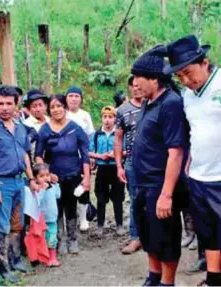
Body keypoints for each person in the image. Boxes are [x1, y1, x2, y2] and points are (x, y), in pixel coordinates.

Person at [164, 34, 221, 287]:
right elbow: (193, 131)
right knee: (208, 232)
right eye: (179, 77)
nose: (186, 81)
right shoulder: (188, 96)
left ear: (205, 62)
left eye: (188, 73)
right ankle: (214, 279)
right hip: (199, 176)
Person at [131, 46, 186, 286]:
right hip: (143, 183)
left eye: (138, 79)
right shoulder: (148, 102)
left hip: (161, 183)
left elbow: (176, 152)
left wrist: (166, 194)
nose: (134, 84)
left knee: (166, 236)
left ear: (154, 79)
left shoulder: (171, 103)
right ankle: (153, 276)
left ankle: (167, 282)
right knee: (148, 233)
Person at [0, 85, 37, 283]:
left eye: (8, 103)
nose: (4, 107)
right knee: (1, 227)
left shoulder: (20, 127)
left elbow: (25, 154)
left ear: (16, 104)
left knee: (17, 225)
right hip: (0, 182)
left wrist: (31, 179)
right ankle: (3, 269)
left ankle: (16, 259)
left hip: (19, 182)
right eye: (0, 103)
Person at [35, 94, 90, 254]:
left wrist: (86, 178)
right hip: (52, 178)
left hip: (72, 174)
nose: (56, 110)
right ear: (49, 110)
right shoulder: (44, 130)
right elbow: (38, 155)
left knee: (71, 206)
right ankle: (58, 240)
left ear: (65, 107)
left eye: (59, 106)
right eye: (52, 107)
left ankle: (72, 240)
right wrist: (45, 174)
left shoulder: (75, 128)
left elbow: (85, 155)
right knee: (55, 209)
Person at [114, 75, 143, 255]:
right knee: (135, 199)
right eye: (134, 86)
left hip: (154, 162)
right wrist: (119, 166)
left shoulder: (154, 105)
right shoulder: (123, 110)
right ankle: (135, 237)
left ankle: (153, 237)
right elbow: (118, 140)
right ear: (130, 88)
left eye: (140, 85)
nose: (137, 89)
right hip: (132, 162)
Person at [89, 106, 125, 237]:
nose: (107, 120)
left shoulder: (119, 134)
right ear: (102, 118)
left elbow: (126, 151)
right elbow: (89, 151)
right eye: (105, 117)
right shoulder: (96, 135)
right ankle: (100, 225)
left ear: (115, 119)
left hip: (117, 168)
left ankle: (120, 224)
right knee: (100, 198)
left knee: (118, 198)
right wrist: (99, 156)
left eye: (110, 117)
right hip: (102, 169)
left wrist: (116, 154)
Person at [65, 86, 94, 232]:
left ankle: (83, 218)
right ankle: (69, 219)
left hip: (82, 157)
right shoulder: (62, 113)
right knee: (68, 188)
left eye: (77, 96)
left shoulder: (85, 115)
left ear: (81, 99)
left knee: (83, 187)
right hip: (65, 158)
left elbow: (90, 136)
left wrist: (90, 155)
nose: (74, 98)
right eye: (71, 95)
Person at [33, 163, 61, 267]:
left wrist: (56, 184)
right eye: (41, 176)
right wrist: (42, 190)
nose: (45, 178)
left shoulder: (52, 187)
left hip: (52, 218)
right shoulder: (37, 190)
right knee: (43, 240)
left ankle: (53, 258)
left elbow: (58, 195)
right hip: (41, 220)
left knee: (52, 239)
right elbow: (38, 201)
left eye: (47, 175)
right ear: (35, 179)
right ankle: (46, 259)